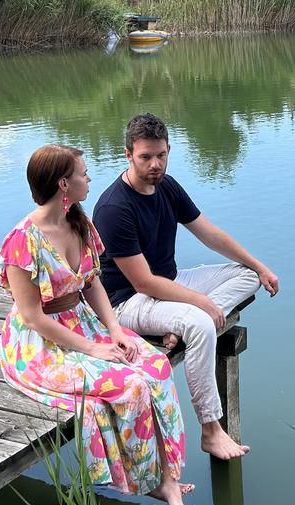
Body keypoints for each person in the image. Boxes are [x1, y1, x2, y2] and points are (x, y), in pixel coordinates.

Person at [0, 144, 194, 505]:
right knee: (128, 385)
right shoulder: (22, 241)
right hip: (40, 343)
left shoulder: (79, 222)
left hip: (83, 321)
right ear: (63, 185)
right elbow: (32, 316)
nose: (89, 178)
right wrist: (91, 350)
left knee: (156, 366)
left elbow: (91, 283)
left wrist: (115, 330)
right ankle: (145, 481)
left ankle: (166, 476)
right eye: (82, 173)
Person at [93, 113, 280, 461]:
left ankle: (179, 322)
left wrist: (259, 265)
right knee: (198, 324)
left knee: (247, 275)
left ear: (169, 150)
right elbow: (143, 281)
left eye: (161, 155)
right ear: (128, 154)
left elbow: (209, 233)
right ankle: (211, 430)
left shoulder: (168, 186)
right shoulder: (113, 207)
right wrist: (199, 304)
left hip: (170, 284)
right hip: (128, 302)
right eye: (145, 156)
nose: (155, 164)